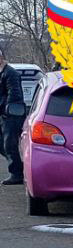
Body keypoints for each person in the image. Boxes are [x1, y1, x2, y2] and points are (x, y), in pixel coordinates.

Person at [0, 48, 27, 185]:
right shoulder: (2, 72)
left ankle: (16, 174)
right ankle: (20, 167)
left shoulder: (10, 73)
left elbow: (14, 94)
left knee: (9, 144)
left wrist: (4, 108)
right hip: (4, 113)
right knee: (4, 144)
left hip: (12, 114)